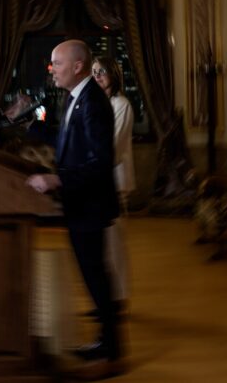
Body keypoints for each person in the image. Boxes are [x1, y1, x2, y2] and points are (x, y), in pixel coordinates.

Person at [26, 39, 124, 378]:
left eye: (57, 63)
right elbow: (66, 142)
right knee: (92, 276)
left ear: (78, 66)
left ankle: (112, 354)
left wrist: (57, 179)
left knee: (97, 278)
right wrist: (32, 126)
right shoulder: (75, 98)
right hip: (80, 204)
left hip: (90, 205)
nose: (51, 69)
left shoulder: (93, 102)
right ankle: (104, 342)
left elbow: (100, 162)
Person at [91, 56, 134, 317]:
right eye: (94, 72)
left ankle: (119, 300)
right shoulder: (98, 104)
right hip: (97, 181)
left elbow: (113, 147)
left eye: (102, 71)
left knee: (115, 245)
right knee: (102, 248)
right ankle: (105, 300)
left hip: (114, 182)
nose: (97, 76)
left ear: (114, 74)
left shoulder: (121, 105)